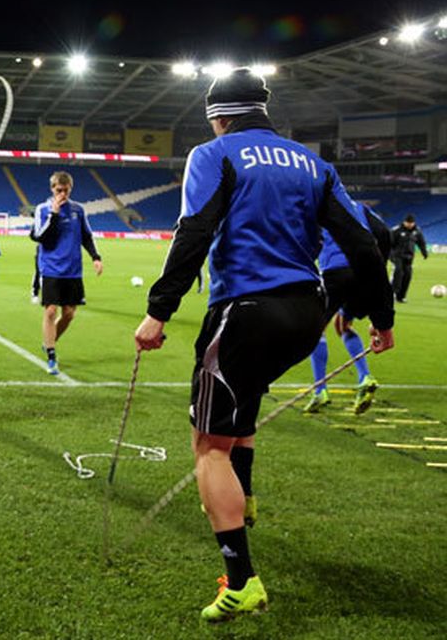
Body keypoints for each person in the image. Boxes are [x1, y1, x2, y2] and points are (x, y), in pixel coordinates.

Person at [133, 69, 394, 623]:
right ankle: (244, 498)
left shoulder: (216, 153)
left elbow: (195, 230)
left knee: (209, 448)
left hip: (245, 311)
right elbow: (365, 245)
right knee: (243, 402)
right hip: (306, 314)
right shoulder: (313, 164)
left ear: (217, 115)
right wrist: (383, 318)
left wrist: (159, 312)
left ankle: (242, 578)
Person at [303, 206, 391, 415]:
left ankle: (320, 390)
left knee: (316, 329)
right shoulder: (360, 208)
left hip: (336, 272)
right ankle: (364, 377)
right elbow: (384, 233)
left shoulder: (318, 207)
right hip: (366, 273)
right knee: (343, 324)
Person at [30, 171, 102, 375]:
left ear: (70, 189)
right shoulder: (42, 209)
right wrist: (53, 214)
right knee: (51, 311)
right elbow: (40, 237)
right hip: (51, 267)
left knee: (69, 314)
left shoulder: (78, 210)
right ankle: (52, 355)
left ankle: (49, 341)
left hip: (73, 269)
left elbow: (86, 236)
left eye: (66, 190)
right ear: (52, 189)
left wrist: (96, 257)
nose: (62, 193)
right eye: (58, 190)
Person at [389, 213, 428, 302]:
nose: (410, 225)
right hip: (396, 256)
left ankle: (401, 296)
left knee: (407, 275)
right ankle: (392, 294)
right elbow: (388, 243)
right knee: (398, 272)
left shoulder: (417, 231)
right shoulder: (396, 230)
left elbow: (421, 242)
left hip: (409, 257)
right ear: (404, 222)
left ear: (414, 223)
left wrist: (424, 252)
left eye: (411, 223)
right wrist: (390, 254)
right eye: (408, 223)